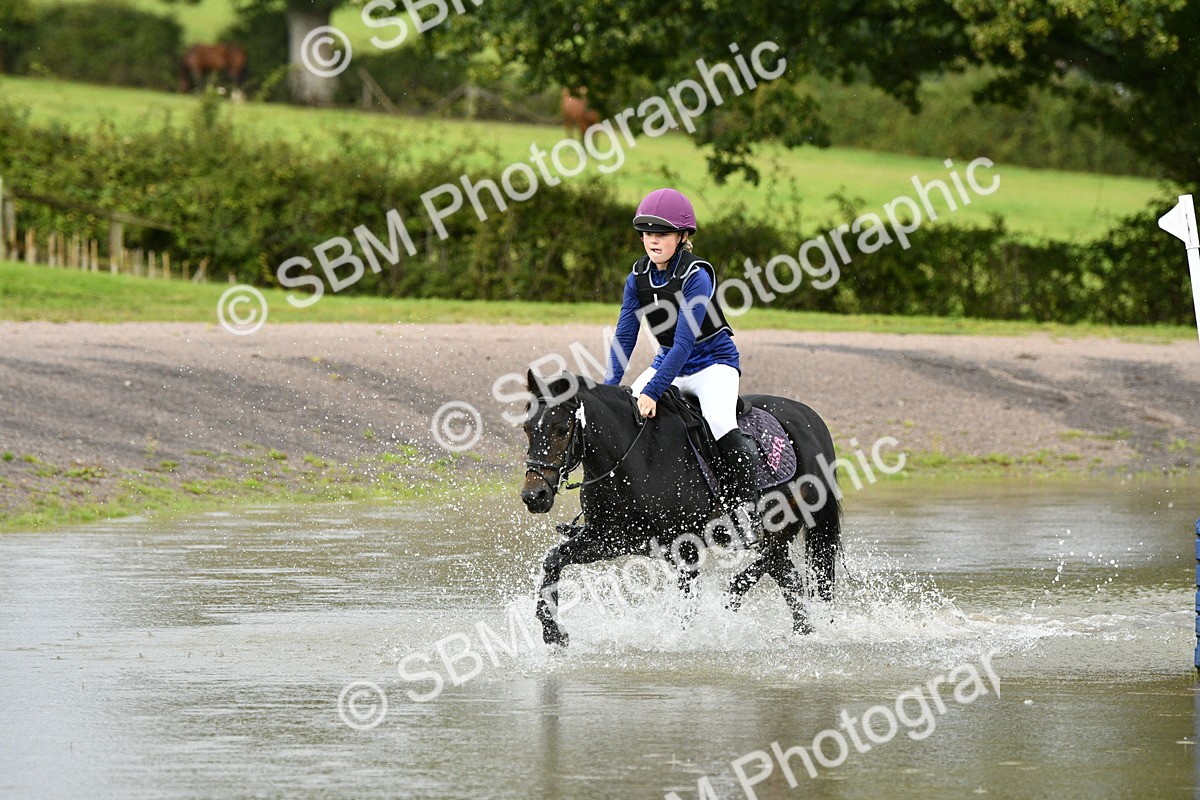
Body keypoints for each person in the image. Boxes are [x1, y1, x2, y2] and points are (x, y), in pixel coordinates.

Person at [604, 187, 762, 547]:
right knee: (621, 418)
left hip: (712, 364)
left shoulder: (697, 275)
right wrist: (610, 387)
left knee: (721, 423)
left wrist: (653, 391)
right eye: (646, 233)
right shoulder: (637, 277)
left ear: (682, 236)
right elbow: (625, 337)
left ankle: (747, 511)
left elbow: (685, 343)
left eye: (661, 234)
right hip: (668, 362)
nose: (652, 241)